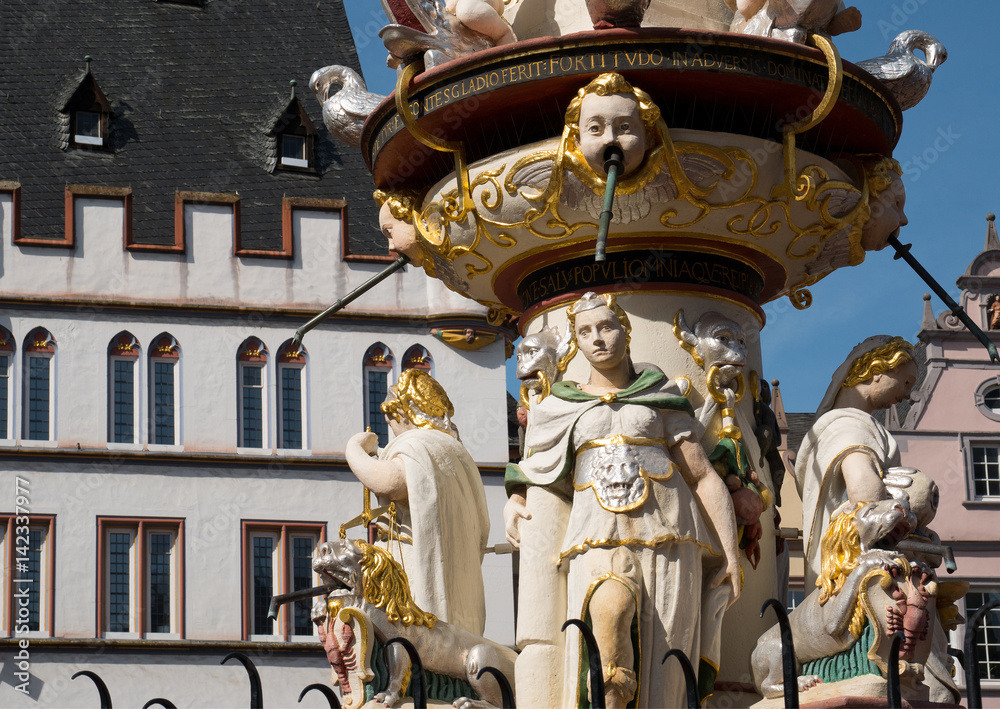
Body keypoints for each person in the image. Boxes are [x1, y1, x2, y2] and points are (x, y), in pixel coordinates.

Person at [504, 292, 740, 708]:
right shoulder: (562, 404)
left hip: (671, 535)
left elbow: (701, 475)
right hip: (593, 536)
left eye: (607, 327)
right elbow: (538, 468)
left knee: (668, 659)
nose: (598, 339)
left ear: (625, 332)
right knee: (607, 615)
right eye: (585, 332)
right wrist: (516, 497)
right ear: (576, 342)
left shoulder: (660, 394)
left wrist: (730, 554)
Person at [345, 369, 490, 635]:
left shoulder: (422, 445)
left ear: (403, 414)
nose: (393, 432)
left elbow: (388, 482)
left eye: (391, 424)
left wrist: (354, 448)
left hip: (411, 566)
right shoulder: (457, 452)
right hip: (457, 580)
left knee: (404, 645)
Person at [794, 335, 918, 590]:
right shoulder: (850, 425)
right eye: (906, 382)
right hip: (859, 576)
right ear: (877, 370)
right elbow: (866, 500)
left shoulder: (835, 425)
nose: (907, 395)